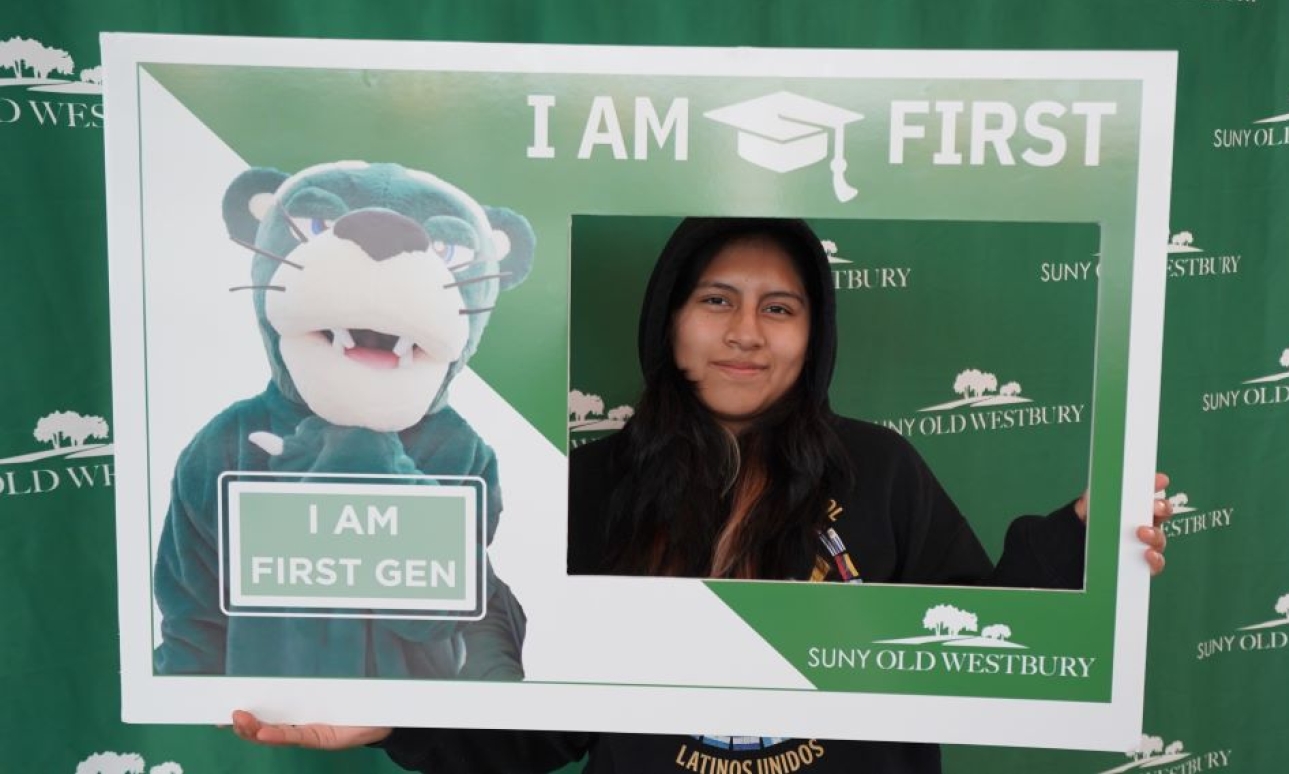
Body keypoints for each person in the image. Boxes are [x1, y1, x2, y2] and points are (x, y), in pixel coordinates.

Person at [232, 217, 1172, 772]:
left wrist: (1086, 544)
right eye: (717, 300)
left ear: (813, 334)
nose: (746, 333)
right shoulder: (588, 488)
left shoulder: (880, 471)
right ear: (670, 320)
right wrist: (398, 718)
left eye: (780, 306)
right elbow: (532, 718)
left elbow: (970, 652)